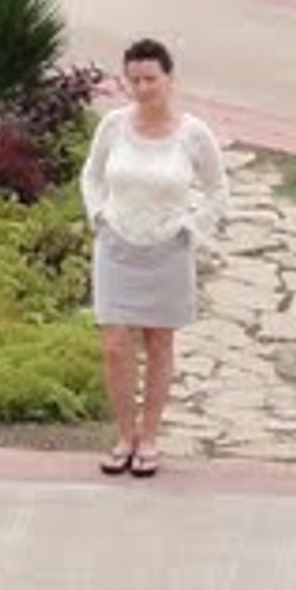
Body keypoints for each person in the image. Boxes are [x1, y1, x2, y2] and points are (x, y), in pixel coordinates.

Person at [79, 35, 227, 480]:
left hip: (167, 250)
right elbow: (92, 175)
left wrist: (192, 228)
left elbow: (217, 190)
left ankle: (149, 438)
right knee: (114, 346)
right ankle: (124, 436)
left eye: (150, 79)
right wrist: (99, 215)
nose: (143, 88)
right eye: (134, 80)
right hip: (117, 246)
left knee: (160, 342)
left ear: (169, 79)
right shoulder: (114, 127)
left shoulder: (193, 134)